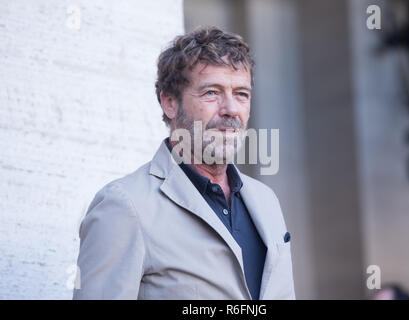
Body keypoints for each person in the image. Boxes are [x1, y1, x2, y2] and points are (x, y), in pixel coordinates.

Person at [73, 26, 295, 300]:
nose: (231, 109)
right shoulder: (124, 206)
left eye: (241, 94)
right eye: (212, 92)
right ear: (169, 103)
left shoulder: (267, 201)